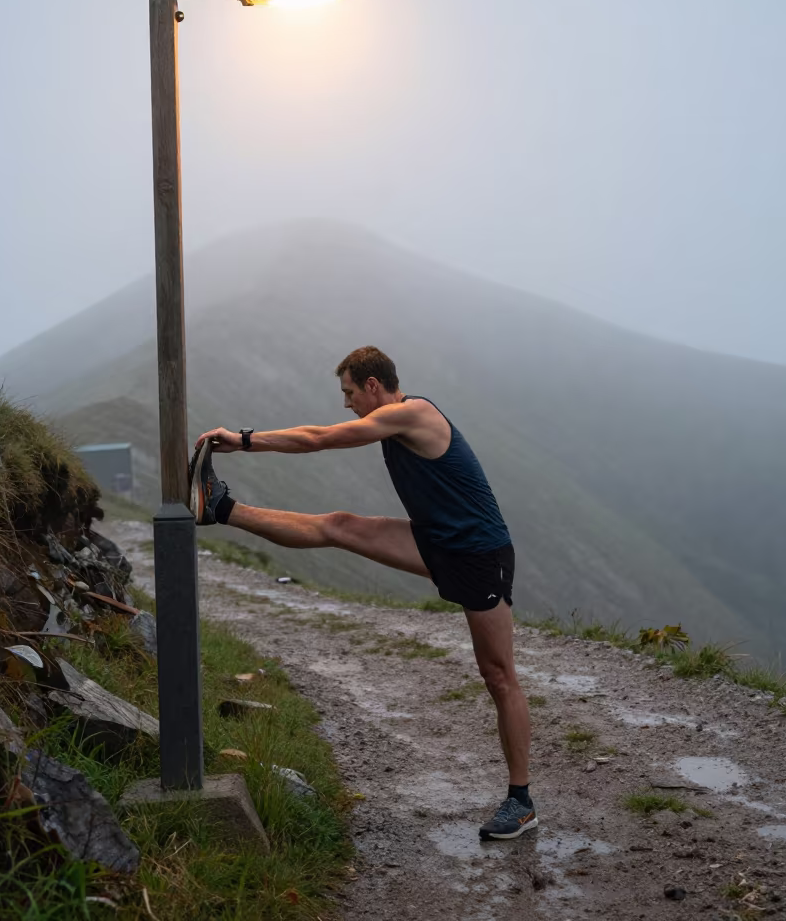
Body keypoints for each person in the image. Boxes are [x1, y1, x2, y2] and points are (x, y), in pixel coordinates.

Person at [192, 345, 536, 840]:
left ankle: (521, 801)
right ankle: (219, 507)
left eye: (349, 391)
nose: (347, 402)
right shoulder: (395, 420)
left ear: (373, 385)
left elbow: (319, 439)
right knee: (340, 525)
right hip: (436, 540)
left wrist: (241, 439)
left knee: (499, 676)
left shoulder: (411, 413)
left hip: (480, 557)